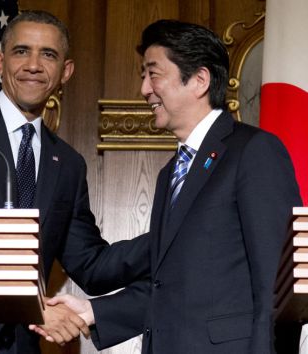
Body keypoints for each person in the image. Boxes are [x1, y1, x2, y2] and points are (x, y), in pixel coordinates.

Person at [34, 19, 302, 354]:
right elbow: (168, 288)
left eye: (153, 73)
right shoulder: (171, 174)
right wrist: (92, 311)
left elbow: (276, 285)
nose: (144, 88)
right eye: (143, 75)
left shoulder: (254, 151)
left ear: (200, 80)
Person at [0, 10, 149, 354]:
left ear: (66, 71)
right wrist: (31, 305)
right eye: (21, 51)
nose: (33, 65)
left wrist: (168, 234)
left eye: (48, 54)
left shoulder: (69, 165)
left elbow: (92, 266)